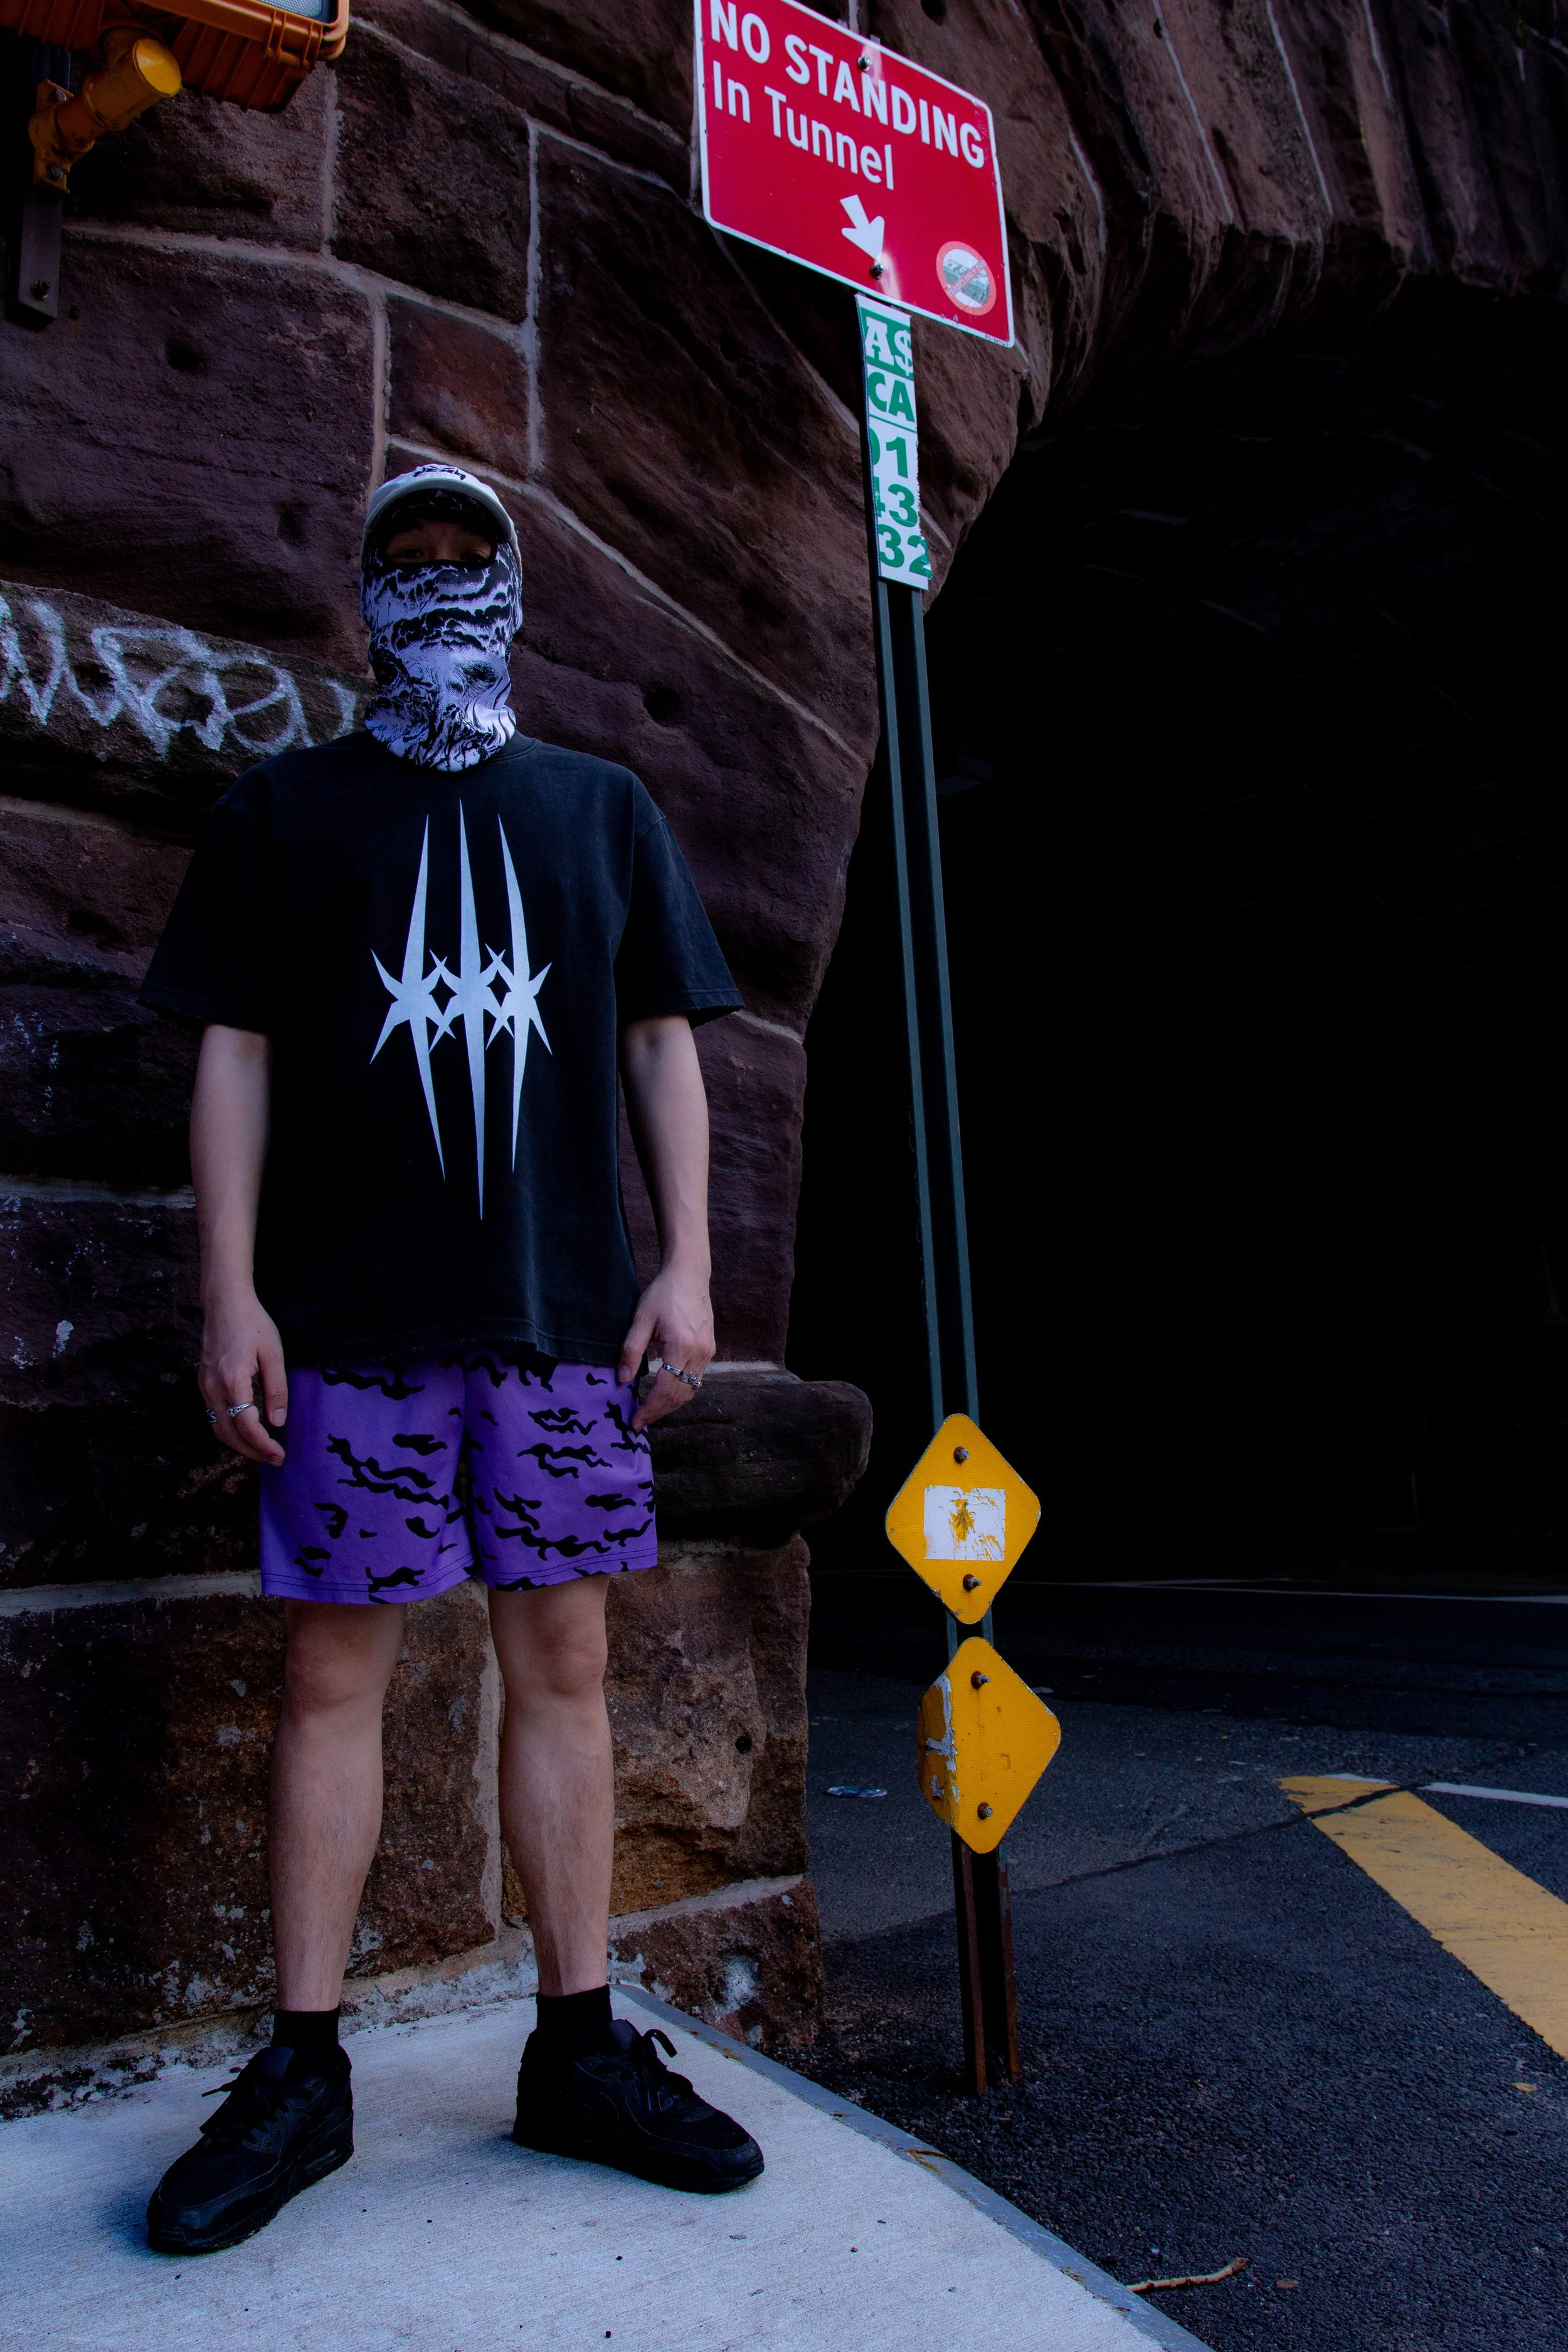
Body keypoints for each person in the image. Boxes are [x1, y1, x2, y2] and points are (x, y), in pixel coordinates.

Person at [136, 464, 761, 2254]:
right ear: (360, 591)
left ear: (511, 585)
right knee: (331, 1676)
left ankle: (576, 2042)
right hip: (346, 1329)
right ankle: (303, 2068)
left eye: (464, 558)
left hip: (562, 1319)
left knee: (562, 1661)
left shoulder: (599, 806)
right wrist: (230, 1290)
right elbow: (234, 1052)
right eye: (403, 562)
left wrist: (689, 1266)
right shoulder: (287, 811)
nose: (436, 587)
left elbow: (662, 1043)